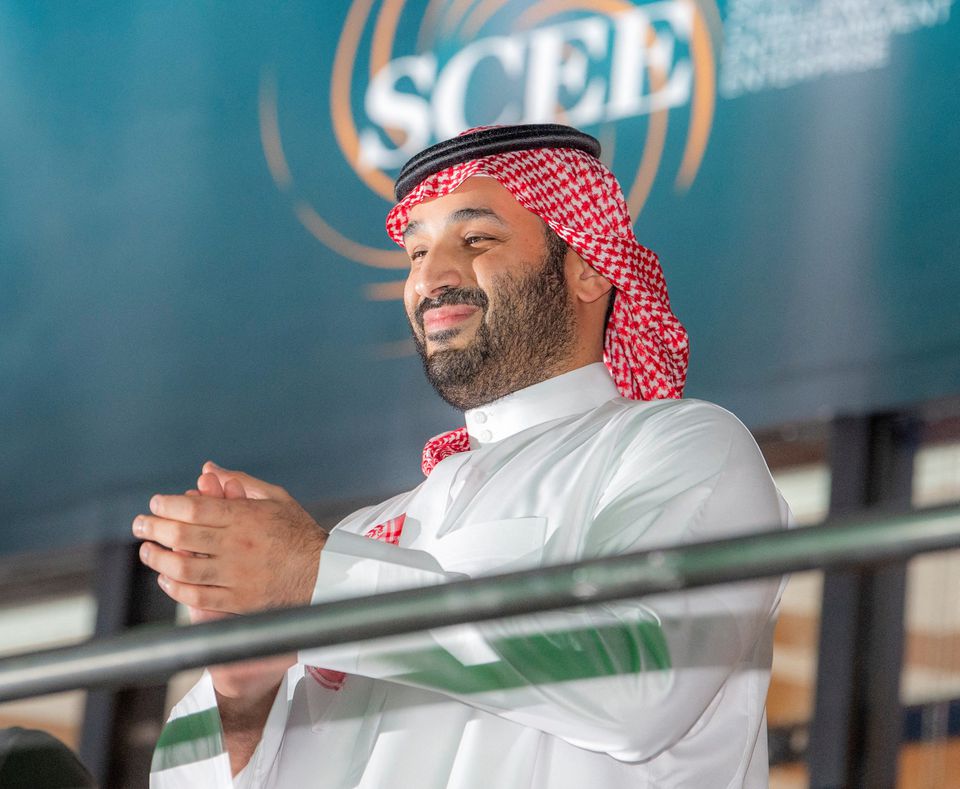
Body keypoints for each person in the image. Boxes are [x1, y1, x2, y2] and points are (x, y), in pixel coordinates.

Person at [136, 124, 790, 788]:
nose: (431, 277)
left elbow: (642, 683)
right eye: (416, 251)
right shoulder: (364, 534)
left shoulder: (677, 447)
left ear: (589, 264)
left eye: (476, 239)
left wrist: (315, 575)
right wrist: (244, 689)